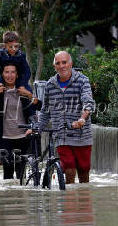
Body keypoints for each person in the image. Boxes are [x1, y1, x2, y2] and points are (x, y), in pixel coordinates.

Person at [31, 51, 95, 184]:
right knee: (69, 169)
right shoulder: (50, 85)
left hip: (82, 135)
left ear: (70, 64)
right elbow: (45, 111)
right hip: (61, 135)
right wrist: (38, 128)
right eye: (58, 63)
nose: (62, 66)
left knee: (83, 171)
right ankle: (69, 200)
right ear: (55, 67)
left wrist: (82, 119)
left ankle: (83, 202)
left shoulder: (83, 80)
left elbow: (88, 102)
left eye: (64, 62)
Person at [0, 61, 41, 179]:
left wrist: (32, 127)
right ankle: (10, 196)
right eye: (6, 72)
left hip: (23, 137)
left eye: (13, 72)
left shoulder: (25, 88)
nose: (10, 75)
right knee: (7, 174)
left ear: (17, 74)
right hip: (3, 138)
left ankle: (20, 196)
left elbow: (33, 111)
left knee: (21, 174)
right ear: (2, 74)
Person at [0, 31, 32, 95]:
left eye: (16, 46)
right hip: (2, 79)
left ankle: (26, 104)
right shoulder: (0, 54)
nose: (14, 49)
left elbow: (27, 71)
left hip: (17, 80)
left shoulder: (21, 55)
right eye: (10, 47)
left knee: (28, 89)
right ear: (5, 46)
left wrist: (22, 84)